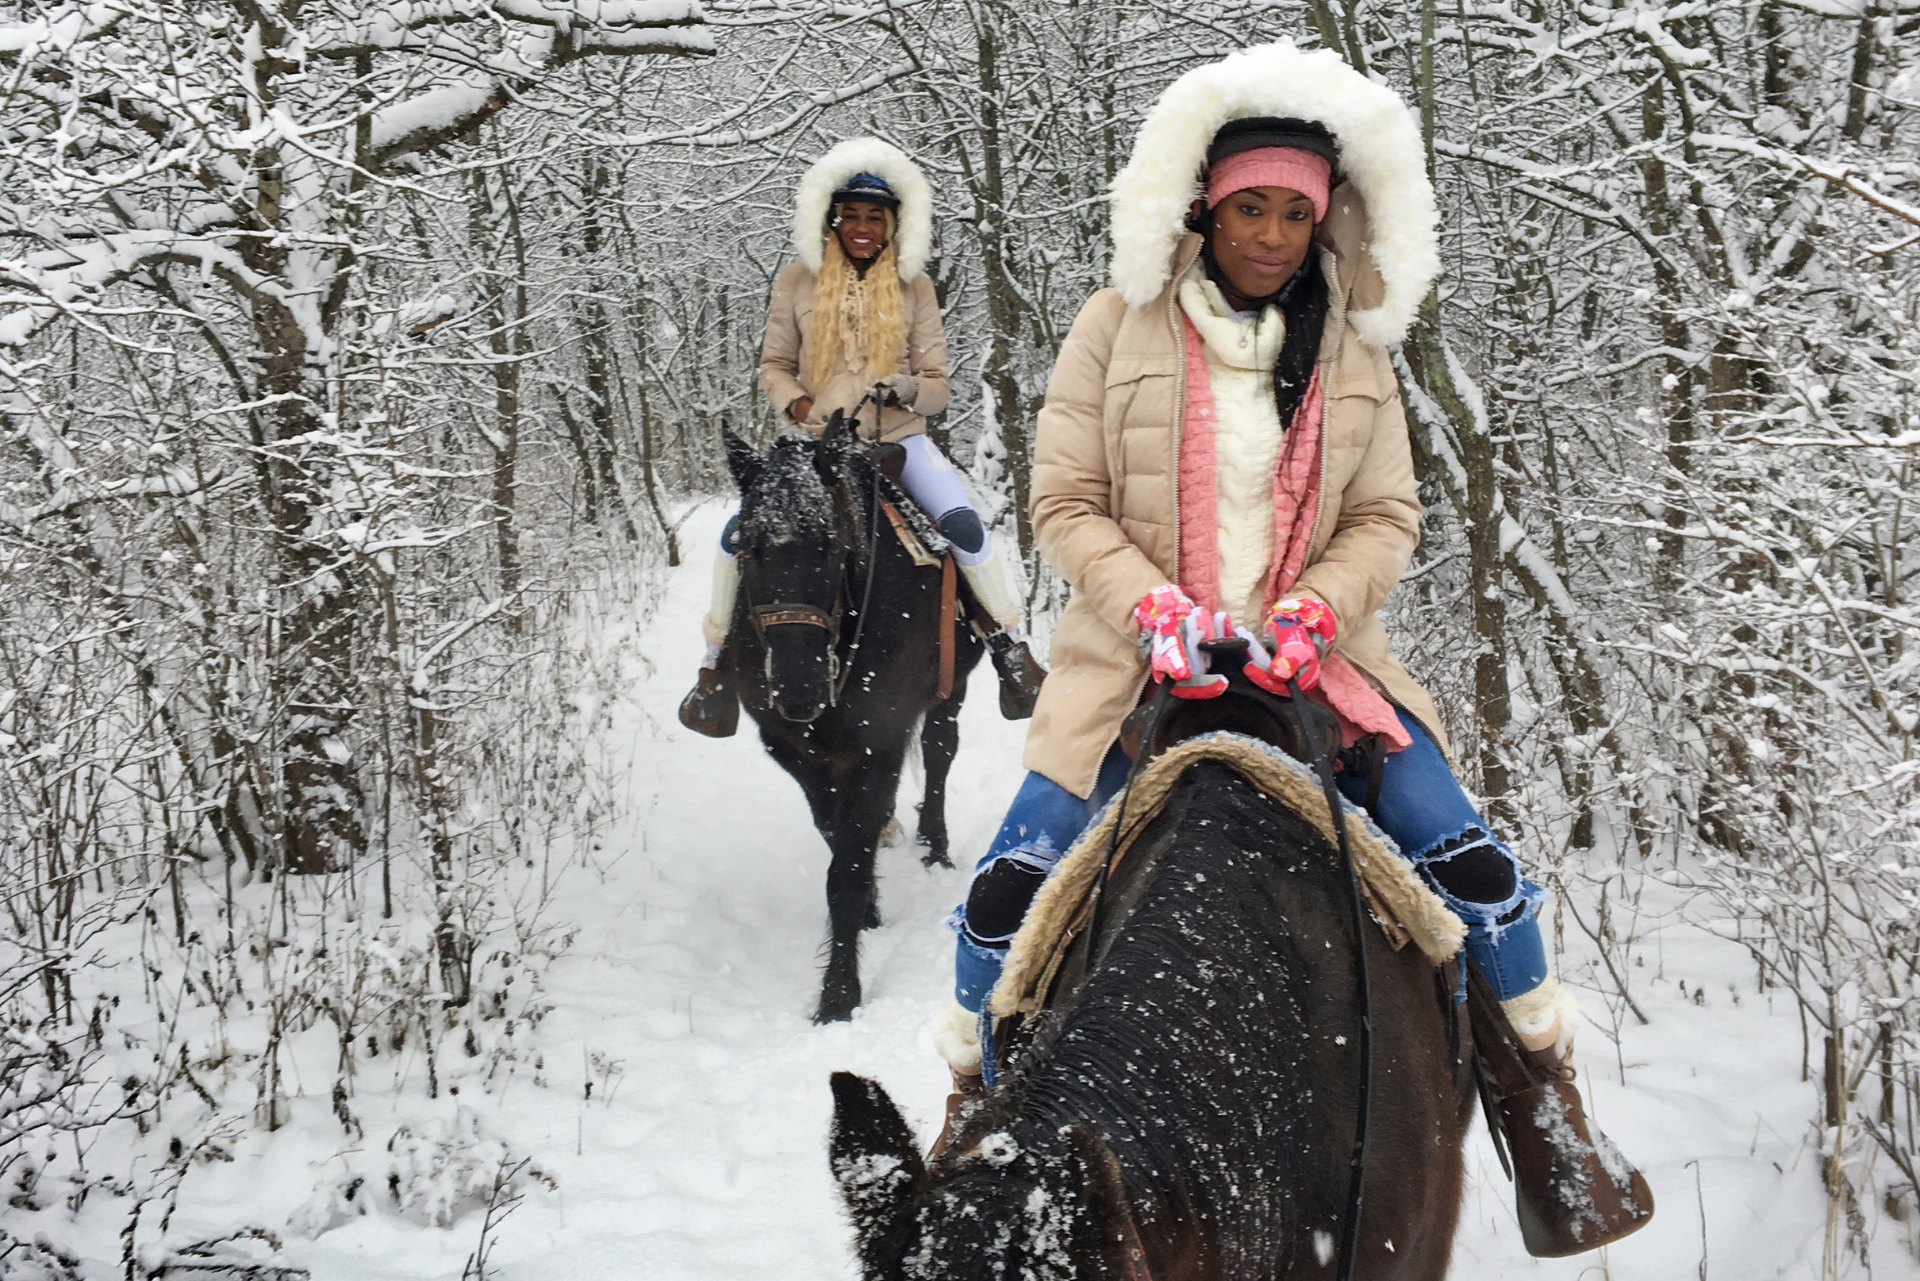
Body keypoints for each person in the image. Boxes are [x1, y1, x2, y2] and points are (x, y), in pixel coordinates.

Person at [929, 42, 1646, 1250]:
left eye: (1293, 212)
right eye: (1248, 207)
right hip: (1135, 680)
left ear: (1325, 221)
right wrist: (1160, 611)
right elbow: (1063, 502)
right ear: (1204, 208)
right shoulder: (1116, 325)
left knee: (1480, 882)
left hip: (1327, 674)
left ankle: (1549, 1122)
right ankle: (975, 1121)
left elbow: (1390, 514)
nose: (1268, 234)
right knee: (1002, 908)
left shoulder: (1358, 350)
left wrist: (1314, 610)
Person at [679, 138, 1045, 737]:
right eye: (850, 215)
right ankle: (714, 670)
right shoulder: (796, 281)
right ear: (832, 219)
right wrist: (795, 401)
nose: (863, 227)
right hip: (813, 446)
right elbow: (773, 364)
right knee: (734, 538)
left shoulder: (914, 286)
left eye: (875, 216)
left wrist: (905, 388)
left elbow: (939, 385)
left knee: (964, 529)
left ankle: (1010, 649)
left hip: (898, 443)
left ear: (894, 223)